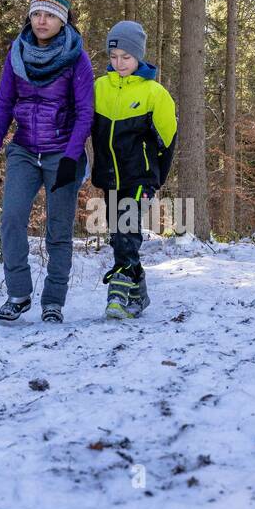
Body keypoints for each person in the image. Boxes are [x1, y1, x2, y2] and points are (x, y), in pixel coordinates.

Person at [0, 0, 94, 323]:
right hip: (25, 150)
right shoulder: (17, 52)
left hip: (62, 153)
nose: (41, 21)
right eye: (36, 14)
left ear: (63, 20)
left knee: (58, 231)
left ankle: (53, 302)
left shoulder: (77, 58)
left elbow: (86, 112)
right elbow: (3, 105)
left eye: (50, 15)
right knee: (12, 218)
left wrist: (73, 157)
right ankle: (18, 294)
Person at [90, 19, 177, 318]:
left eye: (126, 57)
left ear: (138, 56)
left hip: (140, 177)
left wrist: (156, 179)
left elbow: (168, 141)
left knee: (127, 231)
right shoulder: (99, 88)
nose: (119, 63)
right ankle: (141, 294)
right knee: (118, 234)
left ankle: (118, 297)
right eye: (113, 57)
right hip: (109, 178)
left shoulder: (155, 93)